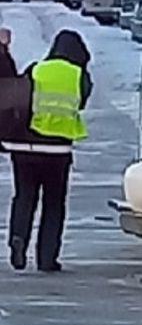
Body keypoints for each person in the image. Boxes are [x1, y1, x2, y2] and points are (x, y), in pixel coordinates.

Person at [2, 30, 92, 272]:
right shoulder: (79, 76)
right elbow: (81, 102)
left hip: (24, 148)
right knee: (54, 204)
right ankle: (47, 258)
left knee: (24, 197)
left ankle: (18, 238)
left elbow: (18, 96)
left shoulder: (37, 69)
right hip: (57, 152)